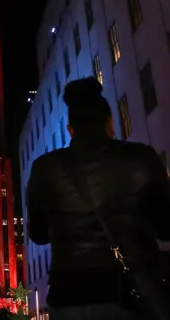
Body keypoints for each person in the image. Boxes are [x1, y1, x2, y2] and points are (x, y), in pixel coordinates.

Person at [26, 78, 170, 320]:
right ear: (110, 122)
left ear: (70, 129)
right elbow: (166, 226)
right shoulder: (141, 158)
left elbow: (38, 235)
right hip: (134, 293)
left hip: (71, 296)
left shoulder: (45, 168)